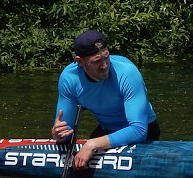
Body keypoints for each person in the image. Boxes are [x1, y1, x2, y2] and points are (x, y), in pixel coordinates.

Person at [51, 29, 159, 170]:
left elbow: (139, 130)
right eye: (97, 61)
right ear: (80, 62)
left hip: (144, 131)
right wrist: (58, 134)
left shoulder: (127, 73)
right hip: (107, 130)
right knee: (80, 171)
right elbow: (67, 129)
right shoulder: (69, 79)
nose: (104, 65)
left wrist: (92, 144)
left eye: (106, 57)